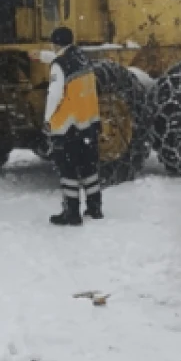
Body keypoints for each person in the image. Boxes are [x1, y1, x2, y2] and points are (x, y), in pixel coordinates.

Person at [43, 26, 103, 225]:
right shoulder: (82, 58)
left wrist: (47, 120)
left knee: (68, 170)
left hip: (67, 126)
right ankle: (94, 208)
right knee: (88, 167)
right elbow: (64, 64)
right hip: (87, 123)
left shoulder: (59, 65)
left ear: (56, 43)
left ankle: (72, 213)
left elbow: (54, 94)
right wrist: (43, 56)